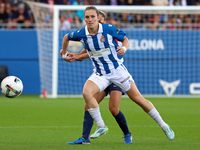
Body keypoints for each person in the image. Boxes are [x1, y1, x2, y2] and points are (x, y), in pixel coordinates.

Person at [61, 6, 175, 143]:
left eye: (93, 16)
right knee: (86, 93)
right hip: (100, 74)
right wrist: (65, 55)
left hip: (117, 72)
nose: (90, 19)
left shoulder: (109, 29)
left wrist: (124, 48)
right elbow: (67, 38)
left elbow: (125, 39)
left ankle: (164, 125)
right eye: (87, 17)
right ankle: (101, 126)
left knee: (137, 99)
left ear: (98, 18)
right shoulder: (82, 34)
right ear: (84, 19)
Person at [63, 11, 132, 144]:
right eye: (89, 18)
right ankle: (85, 138)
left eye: (98, 19)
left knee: (113, 108)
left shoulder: (111, 34)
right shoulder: (89, 38)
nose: (95, 22)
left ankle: (127, 134)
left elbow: (91, 54)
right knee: (88, 104)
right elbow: (83, 55)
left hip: (115, 76)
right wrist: (72, 56)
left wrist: (76, 56)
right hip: (101, 77)